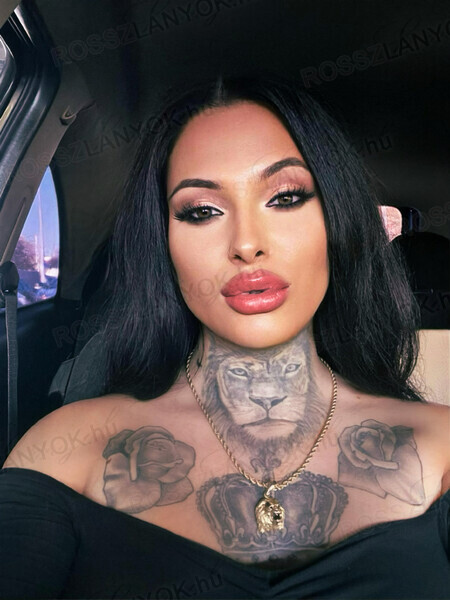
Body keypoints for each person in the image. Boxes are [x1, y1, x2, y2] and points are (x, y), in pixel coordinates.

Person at [0, 74, 449, 599]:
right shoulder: (68, 449)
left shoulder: (440, 449)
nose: (246, 244)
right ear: (164, 242)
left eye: (285, 197)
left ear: (336, 221)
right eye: (201, 211)